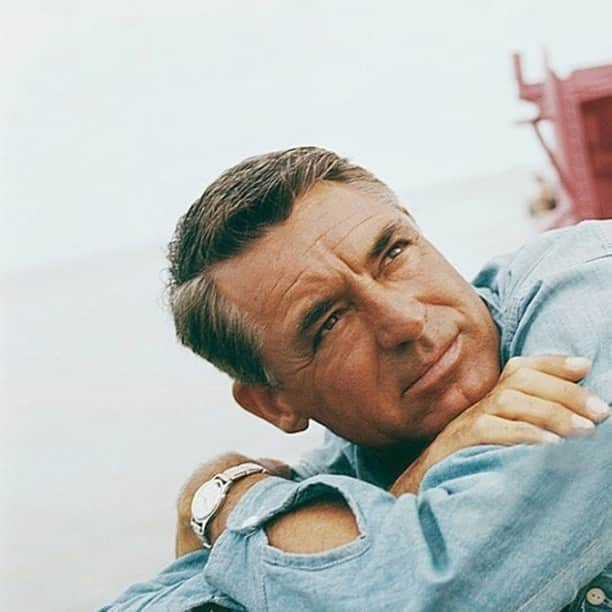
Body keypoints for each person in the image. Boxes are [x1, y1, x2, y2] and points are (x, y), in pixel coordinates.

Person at [102, 148, 612, 611]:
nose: (405, 321)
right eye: (328, 321)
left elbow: (440, 592)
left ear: (417, 230)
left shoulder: (586, 287)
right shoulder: (336, 477)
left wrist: (221, 500)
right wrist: (400, 492)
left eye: (393, 254)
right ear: (274, 403)